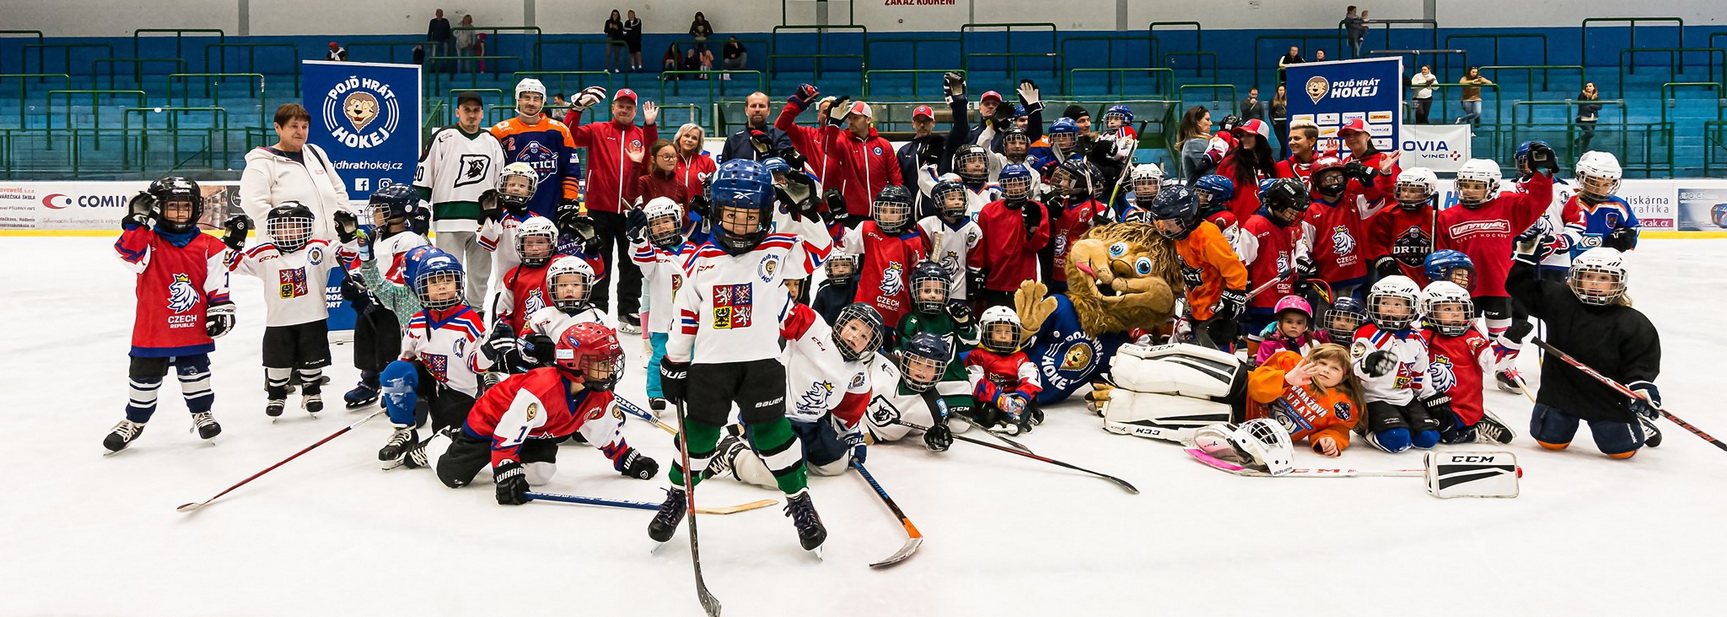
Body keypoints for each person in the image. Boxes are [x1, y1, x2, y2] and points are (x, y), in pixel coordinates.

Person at [649, 159, 832, 554]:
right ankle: (679, 496)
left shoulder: (780, 247)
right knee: (697, 436)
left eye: (751, 218)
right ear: (715, 212)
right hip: (711, 367)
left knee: (773, 435)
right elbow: (686, 315)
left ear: (766, 215)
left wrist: (807, 213)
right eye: (731, 215)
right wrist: (674, 361)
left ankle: (799, 500)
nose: (740, 226)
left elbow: (822, 250)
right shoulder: (698, 260)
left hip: (762, 363)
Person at [408, 322, 657, 503]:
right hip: (491, 424)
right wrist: (506, 471)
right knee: (453, 477)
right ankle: (441, 440)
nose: (610, 369)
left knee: (540, 473)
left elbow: (603, 432)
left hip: (535, 433)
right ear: (574, 363)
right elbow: (507, 432)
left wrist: (626, 459)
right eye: (602, 363)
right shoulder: (543, 390)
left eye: (610, 362)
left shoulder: (597, 393)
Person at [103, 177, 234, 453]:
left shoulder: (210, 246)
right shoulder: (148, 242)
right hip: (153, 329)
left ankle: (202, 413)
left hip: (193, 327)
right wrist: (136, 222)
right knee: (143, 378)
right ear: (157, 209)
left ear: (196, 208)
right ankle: (134, 421)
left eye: (184, 207)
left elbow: (217, 285)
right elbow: (128, 255)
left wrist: (221, 309)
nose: (179, 213)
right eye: (171, 207)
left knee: (196, 373)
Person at [1509, 238, 1661, 458]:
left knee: (1622, 452)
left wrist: (1640, 387)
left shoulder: (1633, 321)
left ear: (1619, 282)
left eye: (1603, 278)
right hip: (1559, 393)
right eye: (1588, 276)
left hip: (1606, 399)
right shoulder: (1559, 300)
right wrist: (1524, 259)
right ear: (1575, 277)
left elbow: (1641, 361)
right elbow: (1520, 288)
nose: (1594, 283)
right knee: (1549, 442)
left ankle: (1637, 422)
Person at [706, 302, 879, 489]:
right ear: (841, 322)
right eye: (853, 327)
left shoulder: (858, 376)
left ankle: (796, 454)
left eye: (864, 336)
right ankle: (733, 451)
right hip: (774, 417)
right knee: (784, 478)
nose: (855, 336)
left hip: (812, 425)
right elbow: (780, 311)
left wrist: (852, 436)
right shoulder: (814, 328)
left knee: (836, 465)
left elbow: (847, 412)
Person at [1435, 155, 1552, 391]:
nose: (1469, 191)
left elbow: (1539, 201)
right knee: (1464, 330)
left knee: (1500, 328)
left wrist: (1543, 173)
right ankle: (1462, 366)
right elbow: (1440, 252)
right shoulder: (1447, 217)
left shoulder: (1508, 205)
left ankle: (1504, 367)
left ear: (1492, 186)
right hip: (1464, 287)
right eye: (1465, 185)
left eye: (1477, 186)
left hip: (1499, 283)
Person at [224, 202, 337, 418]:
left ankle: (312, 392)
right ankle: (276, 395)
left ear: (307, 227)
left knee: (312, 359)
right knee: (277, 362)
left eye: (294, 226)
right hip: (278, 321)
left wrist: (350, 236)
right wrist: (232, 243)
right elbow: (230, 264)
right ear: (272, 229)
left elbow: (349, 255)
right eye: (282, 227)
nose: (288, 232)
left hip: (313, 318)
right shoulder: (264, 252)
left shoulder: (319, 248)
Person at [565, 87, 660, 334]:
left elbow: (652, 157)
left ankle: (628, 311)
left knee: (631, 262)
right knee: (599, 259)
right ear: (613, 107)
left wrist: (650, 126)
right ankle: (597, 308)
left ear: (635, 111)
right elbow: (569, 136)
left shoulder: (641, 134)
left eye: (629, 106)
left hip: (630, 210)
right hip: (598, 208)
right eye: (621, 105)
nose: (624, 109)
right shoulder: (597, 130)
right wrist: (576, 110)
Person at [335, 186, 430, 409]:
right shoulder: (373, 237)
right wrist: (353, 283)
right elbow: (360, 265)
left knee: (390, 343)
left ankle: (394, 383)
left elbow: (401, 273)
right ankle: (369, 379)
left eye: (380, 209)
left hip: (393, 305)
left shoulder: (410, 240)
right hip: (372, 300)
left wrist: (375, 294)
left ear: (400, 212)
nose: (375, 213)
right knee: (365, 337)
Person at [417, 91, 506, 309]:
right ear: (457, 112)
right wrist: (420, 209)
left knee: (480, 277)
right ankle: (449, 314)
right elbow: (424, 174)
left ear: (483, 113)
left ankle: (475, 315)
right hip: (448, 220)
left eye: (476, 110)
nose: (472, 115)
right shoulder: (443, 137)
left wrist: (497, 212)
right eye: (467, 110)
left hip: (482, 223)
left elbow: (501, 182)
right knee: (447, 274)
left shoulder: (492, 141)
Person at [1351, 275, 1445, 453]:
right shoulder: (1366, 332)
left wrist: (1429, 397)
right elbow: (1353, 369)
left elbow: (1420, 373)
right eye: (1384, 303)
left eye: (1397, 304)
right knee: (1397, 440)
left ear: (1411, 308)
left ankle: (1402, 422)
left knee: (1428, 439)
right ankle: (1364, 430)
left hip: (1405, 397)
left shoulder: (1416, 337)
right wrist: (1367, 365)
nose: (1390, 310)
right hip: (1374, 398)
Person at [1149, 185, 1248, 351]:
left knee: (1217, 358)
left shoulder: (1207, 237)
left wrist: (1236, 293)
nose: (1165, 227)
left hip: (1217, 311)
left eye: (1170, 223)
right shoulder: (1179, 234)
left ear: (1187, 216)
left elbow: (1235, 269)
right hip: (1197, 308)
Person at [1421, 281, 1516, 445]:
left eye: (1460, 308)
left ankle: (1475, 427)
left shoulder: (1471, 336)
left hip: (1464, 407)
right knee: (1421, 432)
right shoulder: (1421, 335)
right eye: (1448, 309)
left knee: (1445, 437)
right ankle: (1476, 422)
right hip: (1430, 402)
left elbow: (1490, 364)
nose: (1456, 314)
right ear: (1429, 310)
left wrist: (1509, 341)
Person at [240, 103, 349, 242]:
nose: (300, 131)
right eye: (294, 126)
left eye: (305, 127)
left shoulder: (316, 153)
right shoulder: (261, 162)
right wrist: (287, 233)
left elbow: (339, 190)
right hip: (286, 250)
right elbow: (253, 204)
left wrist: (342, 224)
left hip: (329, 249)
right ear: (277, 127)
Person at [890, 260, 980, 419]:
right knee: (925, 419)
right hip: (920, 383)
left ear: (946, 293)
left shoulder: (952, 315)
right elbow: (900, 354)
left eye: (938, 291)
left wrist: (965, 324)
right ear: (915, 291)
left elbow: (969, 344)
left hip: (954, 381)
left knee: (961, 424)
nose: (932, 294)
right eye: (926, 290)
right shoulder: (909, 320)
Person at [838, 185, 927, 339]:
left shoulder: (913, 239)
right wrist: (835, 222)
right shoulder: (868, 228)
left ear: (906, 212)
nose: (887, 216)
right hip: (865, 306)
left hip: (898, 312)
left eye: (893, 212)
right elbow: (845, 244)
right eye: (883, 210)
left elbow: (917, 278)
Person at [628, 197, 692, 412]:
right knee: (659, 358)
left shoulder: (695, 251)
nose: (661, 227)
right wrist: (637, 239)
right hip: (662, 321)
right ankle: (655, 393)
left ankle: (693, 390)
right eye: (654, 224)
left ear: (677, 221)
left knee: (693, 357)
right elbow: (641, 257)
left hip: (692, 319)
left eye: (666, 221)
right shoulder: (653, 256)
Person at [1246, 344, 1364, 456]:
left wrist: (1329, 439)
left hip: (1267, 438)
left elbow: (1337, 429)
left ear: (1344, 377)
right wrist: (1285, 379)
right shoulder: (1290, 362)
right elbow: (1255, 387)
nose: (1326, 370)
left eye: (1335, 368)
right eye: (1322, 363)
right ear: (1311, 361)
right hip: (1244, 406)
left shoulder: (1341, 405)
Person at [491, 78, 582, 220]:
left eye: (536, 98)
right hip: (512, 209)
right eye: (526, 97)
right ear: (518, 100)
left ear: (542, 101)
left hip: (552, 206)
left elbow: (571, 170)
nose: (531, 103)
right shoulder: (501, 131)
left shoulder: (559, 130)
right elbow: (492, 172)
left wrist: (569, 200)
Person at [968, 164, 1050, 309]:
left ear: (1028, 184)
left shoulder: (1037, 208)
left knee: (1023, 326)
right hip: (994, 280)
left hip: (1024, 281)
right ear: (1003, 186)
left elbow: (1038, 246)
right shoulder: (989, 211)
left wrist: (1032, 229)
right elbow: (981, 246)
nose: (1016, 188)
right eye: (1011, 184)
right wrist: (977, 272)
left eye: (1020, 183)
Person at [1239, 178, 1310, 345]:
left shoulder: (1292, 227)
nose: (1294, 216)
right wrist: (1244, 286)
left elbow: (1296, 253)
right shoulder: (1255, 225)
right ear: (1277, 203)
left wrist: (1300, 271)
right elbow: (1241, 260)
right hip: (1261, 293)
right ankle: (1253, 360)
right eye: (1291, 211)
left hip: (1285, 292)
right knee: (1259, 329)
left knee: (1281, 333)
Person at [861, 332, 959, 450]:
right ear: (906, 360)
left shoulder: (934, 408)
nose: (921, 370)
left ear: (939, 370)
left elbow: (928, 439)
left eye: (929, 366)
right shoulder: (884, 362)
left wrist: (936, 439)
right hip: (842, 413)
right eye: (917, 362)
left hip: (867, 436)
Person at [966, 306, 1042, 435]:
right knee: (987, 413)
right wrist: (999, 399)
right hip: (990, 399)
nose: (1003, 336)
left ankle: (1019, 415)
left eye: (1007, 332)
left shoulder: (1020, 356)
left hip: (1014, 397)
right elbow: (976, 382)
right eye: (998, 331)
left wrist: (1021, 399)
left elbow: (1031, 378)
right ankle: (1013, 418)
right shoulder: (977, 355)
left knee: (1031, 400)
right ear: (986, 332)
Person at [1368, 167, 1442, 284]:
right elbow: (1376, 243)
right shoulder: (1387, 215)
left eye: (1413, 191)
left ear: (1427, 191)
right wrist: (1383, 260)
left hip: (1426, 278)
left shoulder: (1437, 216)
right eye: (1403, 189)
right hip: (1395, 276)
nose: (1406, 195)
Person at [917, 176, 983, 304]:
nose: (958, 202)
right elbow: (921, 260)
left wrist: (973, 283)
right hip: (930, 289)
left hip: (959, 290)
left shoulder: (973, 229)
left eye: (960, 198)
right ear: (938, 201)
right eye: (952, 198)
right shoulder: (926, 225)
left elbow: (975, 264)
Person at [1218, 119, 1278, 222]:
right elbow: (1221, 197)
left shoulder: (1270, 162)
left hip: (1267, 224)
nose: (1243, 139)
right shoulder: (1231, 162)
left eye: (1249, 135)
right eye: (1242, 135)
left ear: (1261, 138)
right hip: (1240, 224)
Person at [720, 92, 792, 163]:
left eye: (761, 106)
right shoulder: (733, 140)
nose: (757, 110)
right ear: (746, 110)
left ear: (768, 111)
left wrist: (770, 151)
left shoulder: (780, 137)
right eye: (753, 106)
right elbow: (724, 170)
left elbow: (786, 165)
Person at [1255, 296, 1326, 364]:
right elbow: (1263, 370)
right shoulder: (1269, 345)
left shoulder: (1313, 343)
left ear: (1305, 325)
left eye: (1299, 323)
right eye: (1289, 322)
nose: (1294, 326)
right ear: (1279, 322)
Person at [670, 123, 716, 200]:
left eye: (694, 138)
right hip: (673, 209)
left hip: (698, 210)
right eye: (686, 136)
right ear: (679, 138)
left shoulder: (707, 163)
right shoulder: (670, 160)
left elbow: (714, 190)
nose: (689, 140)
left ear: (698, 142)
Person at [636, 139, 688, 207]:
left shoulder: (682, 187)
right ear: (653, 159)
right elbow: (632, 195)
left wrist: (682, 215)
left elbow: (686, 216)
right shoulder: (645, 181)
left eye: (674, 156)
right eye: (666, 157)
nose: (671, 160)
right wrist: (636, 164)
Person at [813, 251, 860, 325]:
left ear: (853, 266)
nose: (841, 269)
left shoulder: (858, 285)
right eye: (836, 266)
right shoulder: (824, 289)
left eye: (845, 265)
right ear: (829, 267)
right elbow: (816, 316)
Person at [1175, 106, 1218, 181]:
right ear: (1197, 122)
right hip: (1200, 191)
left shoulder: (1196, 141)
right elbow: (1210, 174)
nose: (1211, 123)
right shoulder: (1195, 143)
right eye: (1207, 120)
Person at [1576, 82, 1603, 151]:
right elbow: (1583, 106)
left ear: (1594, 87)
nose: (1588, 87)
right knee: (1590, 133)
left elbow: (1599, 106)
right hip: (1584, 118)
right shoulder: (1582, 95)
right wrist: (1593, 106)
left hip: (1594, 118)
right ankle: (1577, 141)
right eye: (1587, 86)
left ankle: (1583, 150)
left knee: (1588, 136)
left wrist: (1590, 105)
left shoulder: (1596, 96)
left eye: (1590, 86)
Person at [428, 9, 454, 74]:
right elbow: (430, 32)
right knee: (434, 56)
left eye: (441, 13)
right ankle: (433, 69)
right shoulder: (433, 22)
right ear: (436, 14)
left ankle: (443, 69)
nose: (439, 15)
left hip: (444, 41)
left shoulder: (445, 21)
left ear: (442, 14)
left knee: (444, 56)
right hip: (435, 41)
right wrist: (429, 42)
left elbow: (449, 31)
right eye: (438, 13)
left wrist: (448, 40)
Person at [1270, 84, 1290, 158]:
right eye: (1280, 90)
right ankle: (1282, 159)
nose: (1282, 92)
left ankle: (1285, 158)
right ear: (1277, 91)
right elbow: (1270, 113)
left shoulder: (1287, 101)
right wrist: (1273, 123)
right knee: (1283, 143)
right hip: (1277, 124)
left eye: (1283, 90)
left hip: (1286, 123)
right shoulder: (1273, 101)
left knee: (1287, 143)